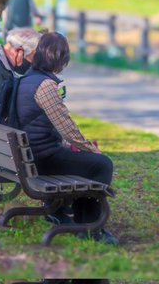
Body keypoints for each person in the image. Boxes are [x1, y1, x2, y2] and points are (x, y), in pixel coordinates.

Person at [16, 31, 117, 245]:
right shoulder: (45, 86)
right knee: (102, 165)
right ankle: (89, 227)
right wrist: (90, 148)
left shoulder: (26, 79)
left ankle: (70, 215)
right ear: (59, 59)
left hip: (30, 155)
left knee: (87, 163)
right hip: (43, 159)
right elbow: (67, 128)